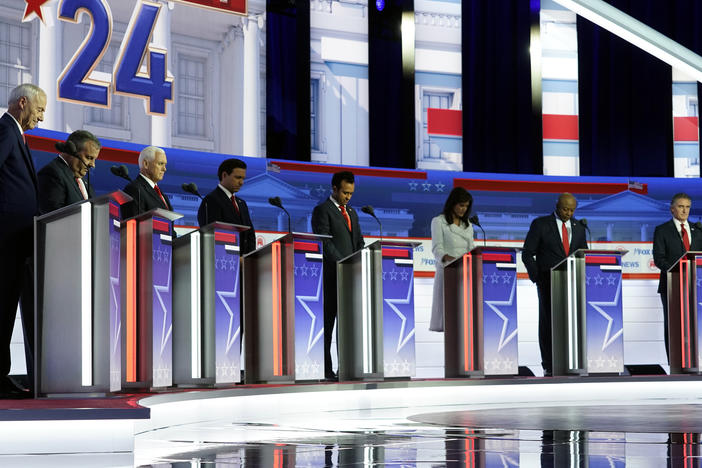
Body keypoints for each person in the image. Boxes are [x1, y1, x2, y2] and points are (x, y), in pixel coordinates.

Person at [0, 83, 46, 397]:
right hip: (5, 239)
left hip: (16, 241)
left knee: (5, 311)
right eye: (40, 109)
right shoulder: (5, 131)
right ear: (22, 103)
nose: (41, 118)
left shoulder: (16, 134)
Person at [522, 192, 587, 377]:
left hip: (573, 282)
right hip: (548, 281)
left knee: (573, 323)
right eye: (565, 209)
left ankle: (572, 362)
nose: (568, 213)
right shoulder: (541, 224)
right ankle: (549, 364)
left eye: (572, 210)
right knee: (548, 322)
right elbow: (527, 253)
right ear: (557, 206)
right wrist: (537, 277)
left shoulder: (579, 227)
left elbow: (583, 253)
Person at [311, 171, 365, 381]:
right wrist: (342, 263)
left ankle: (349, 368)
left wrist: (359, 259)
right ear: (334, 188)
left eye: (351, 193)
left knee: (349, 326)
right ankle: (325, 370)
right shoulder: (322, 210)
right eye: (345, 192)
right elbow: (324, 242)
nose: (348, 197)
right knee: (328, 326)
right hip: (331, 277)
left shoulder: (352, 212)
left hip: (350, 278)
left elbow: (358, 240)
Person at [652, 193, 702, 361]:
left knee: (696, 324)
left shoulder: (698, 230)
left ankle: (696, 360)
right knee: (673, 325)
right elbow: (659, 259)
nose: (684, 210)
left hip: (696, 285)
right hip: (672, 285)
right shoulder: (662, 230)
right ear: (672, 209)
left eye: (687, 207)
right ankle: (674, 362)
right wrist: (677, 270)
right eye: (681, 206)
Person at [429, 187, 475, 332]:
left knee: (465, 321)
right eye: (461, 205)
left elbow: (472, 249)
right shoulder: (438, 221)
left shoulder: (468, 225)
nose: (463, 209)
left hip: (466, 274)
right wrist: (453, 259)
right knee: (450, 318)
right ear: (452, 203)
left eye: (466, 206)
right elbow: (437, 249)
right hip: (448, 272)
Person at [197, 158, 256, 255]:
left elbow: (250, 235)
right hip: (225, 262)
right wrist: (236, 258)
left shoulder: (242, 203)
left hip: (244, 264)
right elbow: (213, 237)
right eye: (237, 177)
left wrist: (249, 257)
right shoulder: (211, 200)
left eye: (243, 178)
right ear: (224, 175)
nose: (241, 182)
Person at [37, 130, 100, 213]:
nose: (93, 165)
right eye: (89, 158)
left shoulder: (84, 181)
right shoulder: (52, 174)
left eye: (94, 159)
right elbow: (54, 217)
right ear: (71, 151)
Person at [122, 146, 172, 218]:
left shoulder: (161, 194)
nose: (164, 169)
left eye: (165, 165)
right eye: (160, 164)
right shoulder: (135, 190)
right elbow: (136, 224)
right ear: (146, 164)